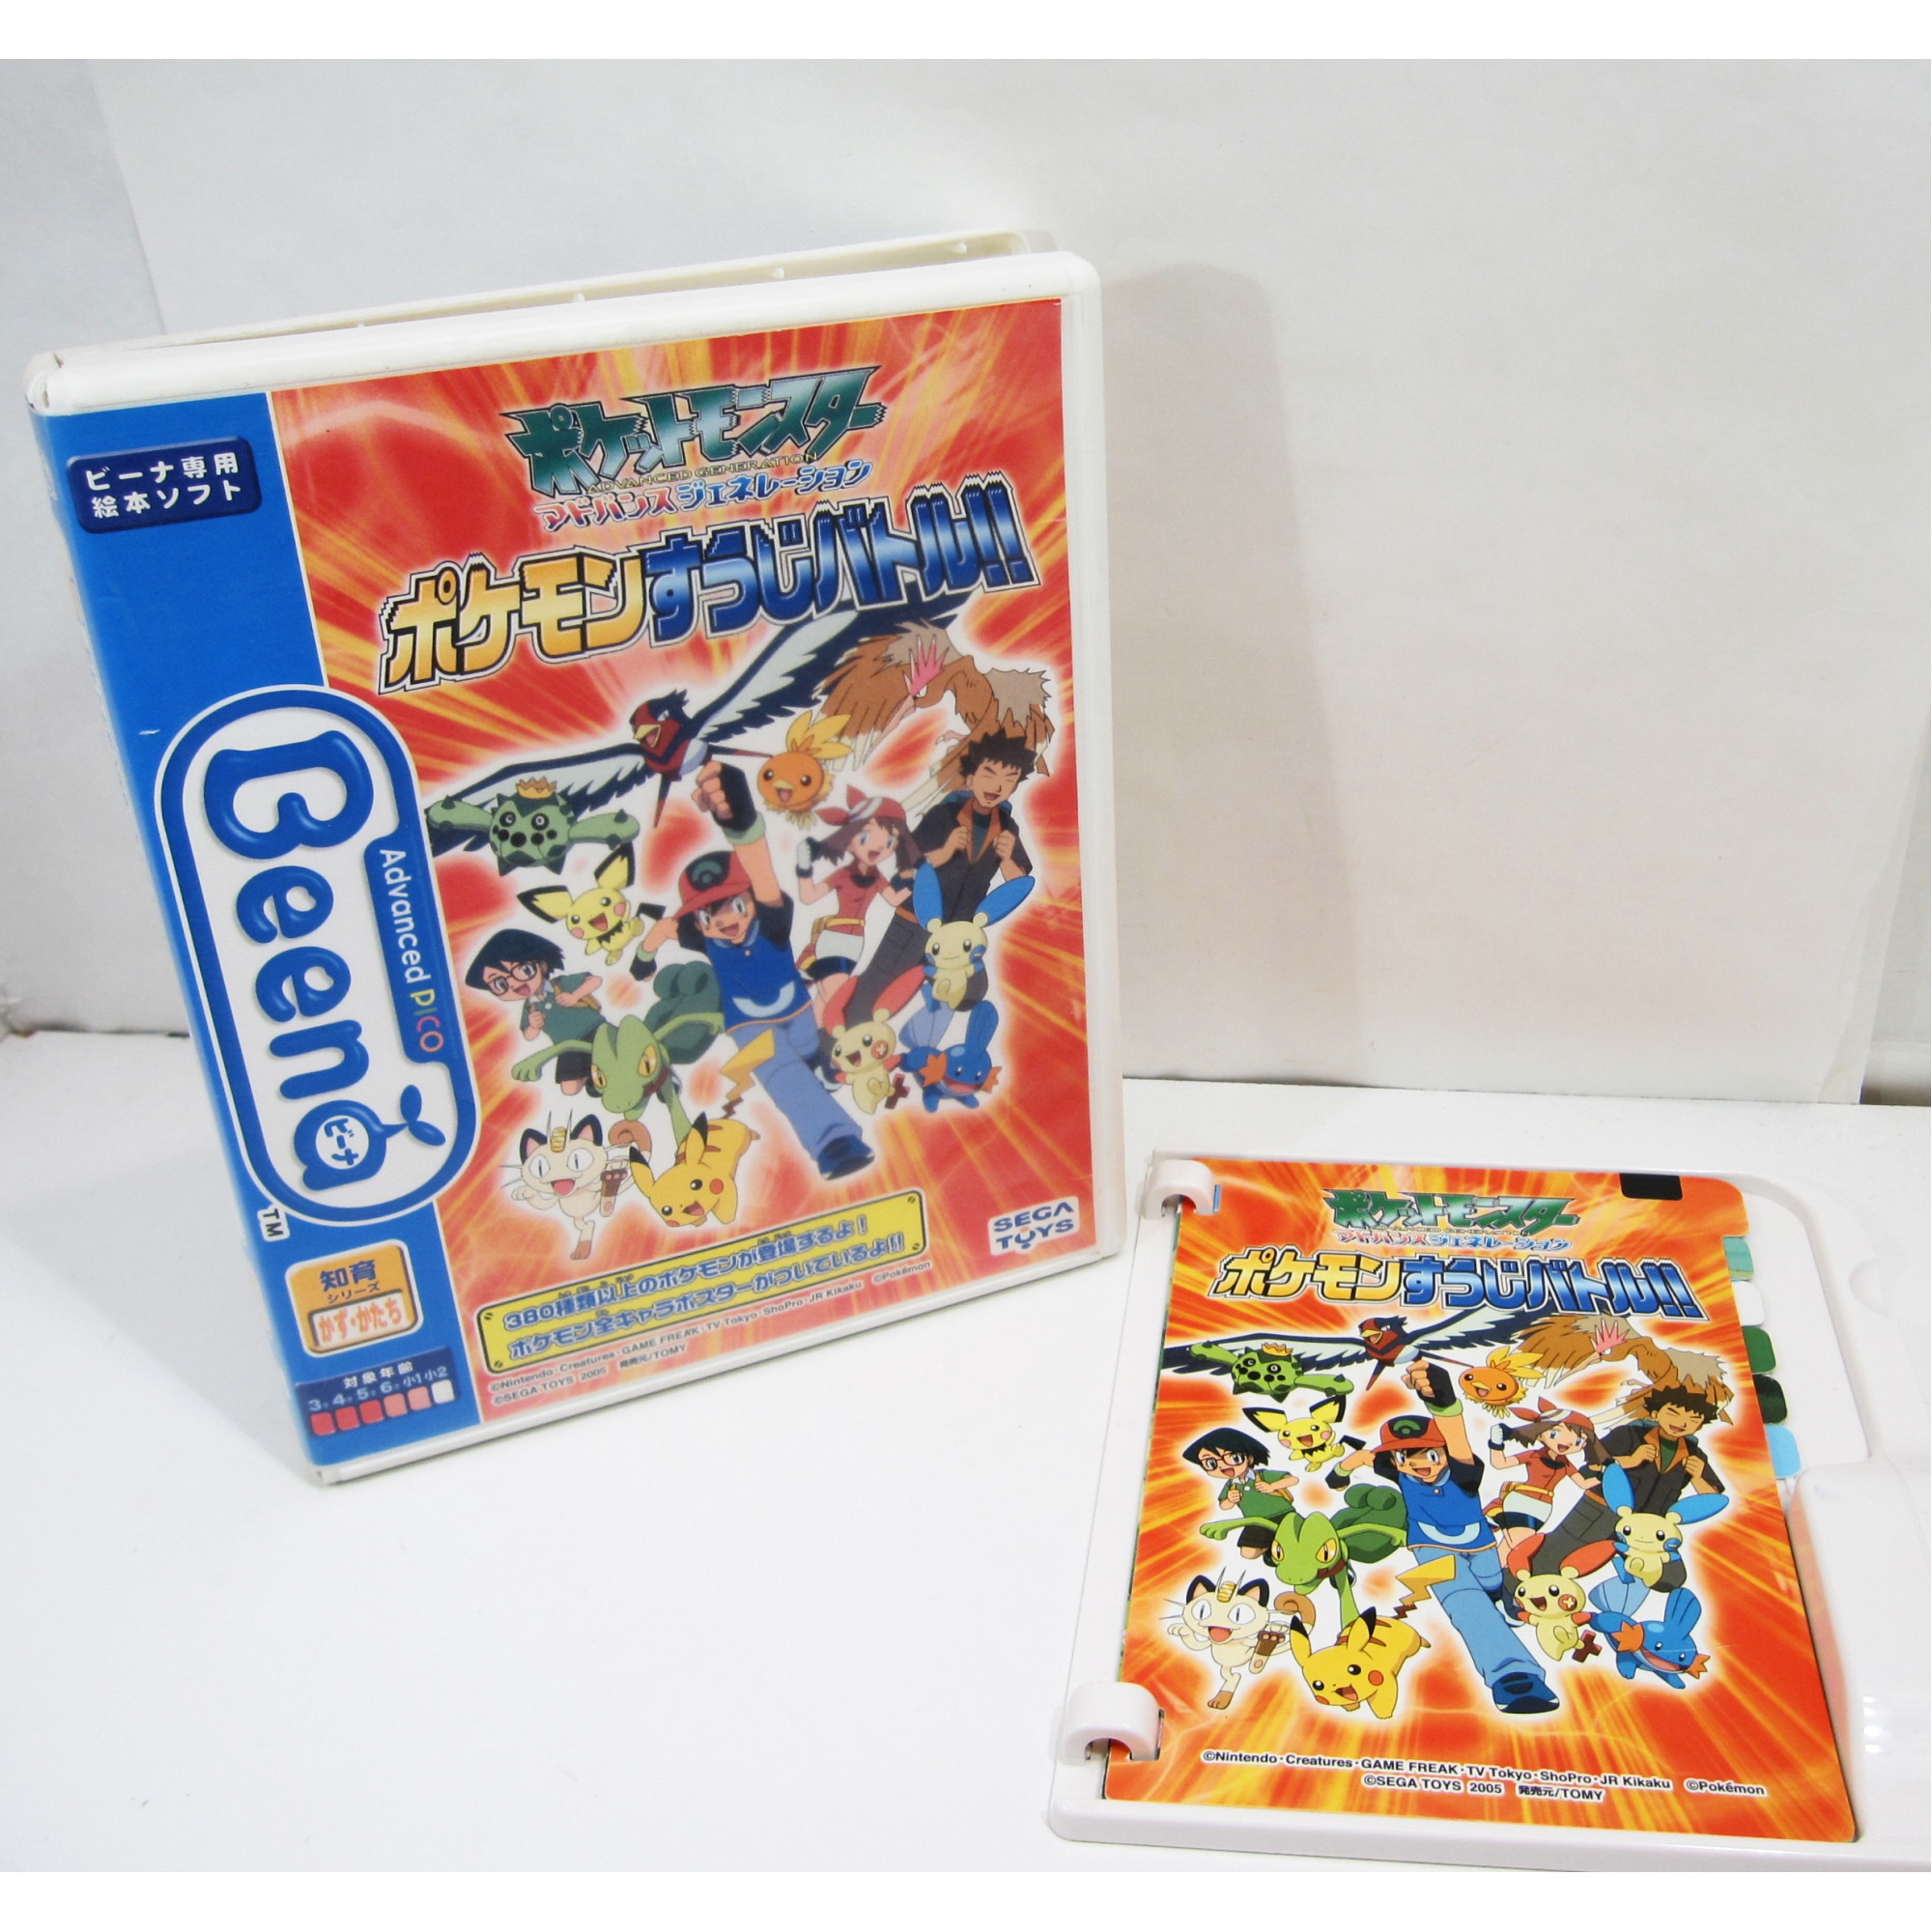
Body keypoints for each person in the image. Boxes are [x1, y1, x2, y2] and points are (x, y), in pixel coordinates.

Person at [636, 761, 872, 1182]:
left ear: (750, 900)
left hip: (799, 1015)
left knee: (817, 1057)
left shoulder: (772, 922)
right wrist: (645, 954)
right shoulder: (702, 937)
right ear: (699, 923)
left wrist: (740, 819)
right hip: (748, 1024)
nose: (725, 921)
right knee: (781, 1074)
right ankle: (835, 1143)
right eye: (709, 916)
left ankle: (822, 1070)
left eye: (735, 905)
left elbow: (761, 871)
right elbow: (664, 932)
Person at [1334, 1362, 1559, 1716]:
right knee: (1465, 1602)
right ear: (1395, 1459)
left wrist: (1443, 1402)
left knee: (1491, 1586)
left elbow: (1456, 1438)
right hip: (1431, 1546)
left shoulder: (1462, 1472)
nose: (1419, 1464)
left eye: (1430, 1455)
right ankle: (1514, 1676)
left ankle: (1500, 1605)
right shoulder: (1397, 1469)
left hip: (1481, 1545)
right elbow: (1362, 1459)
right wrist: (1339, 1473)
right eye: (1406, 1457)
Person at [837, 731, 1037, 1026]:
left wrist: (1007, 858)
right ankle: (840, 1035)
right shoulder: (944, 815)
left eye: (1009, 779)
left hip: (956, 935)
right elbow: (908, 863)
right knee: (880, 984)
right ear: (970, 778)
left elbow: (1018, 884)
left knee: (967, 993)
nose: (997, 786)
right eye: (989, 773)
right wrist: (945, 851)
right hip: (915, 921)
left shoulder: (1006, 826)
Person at [794, 787, 917, 1021]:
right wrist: (803, 869)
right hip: (834, 939)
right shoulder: (842, 875)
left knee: (824, 1001)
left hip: (855, 944)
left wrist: (914, 882)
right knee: (837, 997)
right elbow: (809, 896)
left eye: (890, 841)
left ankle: (815, 1037)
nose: (879, 848)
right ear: (848, 840)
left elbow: (893, 899)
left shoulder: (877, 876)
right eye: (865, 837)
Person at [465, 929, 604, 1094]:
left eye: (523, 970)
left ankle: (600, 1076)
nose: (514, 983)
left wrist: (575, 996)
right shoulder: (530, 1007)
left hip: (596, 1031)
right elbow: (529, 1036)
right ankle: (593, 1078)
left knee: (607, 1058)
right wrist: (533, 1026)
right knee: (569, 1089)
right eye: (500, 984)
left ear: (541, 966)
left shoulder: (560, 984)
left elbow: (595, 980)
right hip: (566, 1046)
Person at [1182, 1427, 1300, 1560]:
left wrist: (1272, 1486)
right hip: (1255, 1522)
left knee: (1294, 1540)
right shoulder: (1231, 1485)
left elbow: (1293, 1480)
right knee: (1248, 1553)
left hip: (1283, 1514)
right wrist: (1230, 1500)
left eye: (1233, 1458)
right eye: (1211, 1463)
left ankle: (1280, 1550)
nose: (1222, 1466)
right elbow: (1224, 1506)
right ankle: (1274, 1550)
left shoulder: (1262, 1475)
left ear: (1249, 1459)